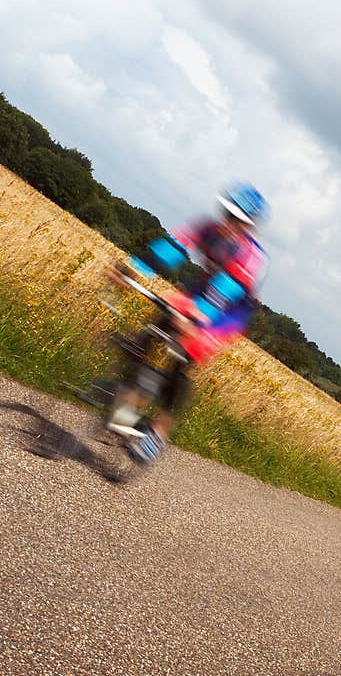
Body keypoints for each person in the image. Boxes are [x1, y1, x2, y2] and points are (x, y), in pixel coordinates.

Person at [108, 182, 270, 465]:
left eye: (238, 219)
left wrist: (197, 318)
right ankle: (130, 403)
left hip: (227, 313)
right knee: (152, 331)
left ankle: (158, 433)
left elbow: (225, 290)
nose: (229, 222)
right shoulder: (208, 229)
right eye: (227, 213)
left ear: (249, 225)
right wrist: (133, 267)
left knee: (183, 358)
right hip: (200, 292)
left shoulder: (252, 256)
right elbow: (172, 248)